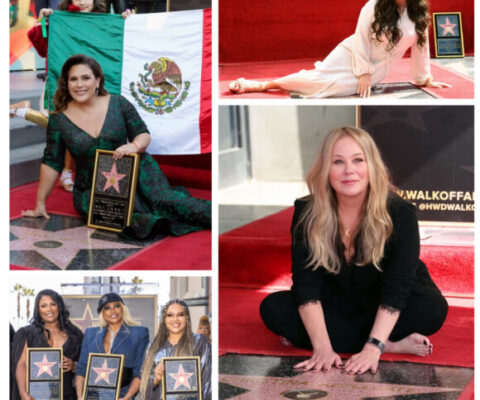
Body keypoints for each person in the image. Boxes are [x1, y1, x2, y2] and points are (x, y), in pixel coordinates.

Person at [260, 127, 448, 375]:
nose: (349, 170)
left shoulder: (400, 212)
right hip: (337, 298)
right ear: (325, 170)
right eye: (338, 162)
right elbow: (306, 283)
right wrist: (322, 347)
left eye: (358, 160)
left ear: (372, 165)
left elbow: (398, 286)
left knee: (432, 309)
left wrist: (373, 347)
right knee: (273, 308)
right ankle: (390, 345)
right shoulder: (307, 211)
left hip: (386, 298)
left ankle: (374, 342)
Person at [21, 54, 211, 239]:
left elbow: (143, 133)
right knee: (127, 219)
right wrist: (40, 203)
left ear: (97, 81)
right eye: (73, 79)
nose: (79, 84)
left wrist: (134, 146)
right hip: (95, 190)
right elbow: (52, 161)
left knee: (167, 203)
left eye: (85, 78)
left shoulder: (118, 103)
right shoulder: (59, 119)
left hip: (138, 173)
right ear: (67, 83)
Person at [229, 0, 451, 98]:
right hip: (351, 54)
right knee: (319, 79)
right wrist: (363, 71)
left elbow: (422, 46)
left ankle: (291, 81)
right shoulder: (373, 5)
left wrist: (424, 78)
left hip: (379, 68)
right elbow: (361, 37)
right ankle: (265, 84)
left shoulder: (419, 13)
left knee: (341, 88)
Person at [11, 289, 84, 400]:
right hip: (36, 395)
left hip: (68, 394)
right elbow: (21, 364)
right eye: (44, 306)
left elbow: (87, 366)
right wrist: (23, 392)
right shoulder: (27, 333)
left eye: (53, 304)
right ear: (38, 309)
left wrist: (74, 366)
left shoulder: (76, 334)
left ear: (59, 306)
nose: (49, 309)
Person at [75, 293, 149, 399]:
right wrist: (80, 396)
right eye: (107, 308)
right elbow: (81, 369)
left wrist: (127, 397)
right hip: (93, 395)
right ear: (102, 313)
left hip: (123, 395)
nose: (113, 310)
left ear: (123, 309)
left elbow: (140, 371)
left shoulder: (139, 333)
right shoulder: (91, 334)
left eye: (116, 306)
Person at [139, 300, 212, 400]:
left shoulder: (199, 342)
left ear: (187, 318)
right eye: (170, 315)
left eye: (180, 314)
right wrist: (155, 379)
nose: (175, 319)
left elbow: (208, 381)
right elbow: (144, 386)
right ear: (164, 319)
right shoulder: (153, 346)